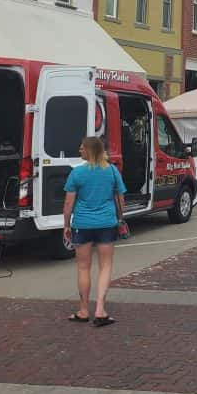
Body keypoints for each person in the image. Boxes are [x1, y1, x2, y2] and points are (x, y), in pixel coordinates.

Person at [62, 136, 126, 326]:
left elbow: (68, 203)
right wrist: (121, 218)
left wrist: (66, 224)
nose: (79, 150)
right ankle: (100, 310)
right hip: (107, 223)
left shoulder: (76, 173)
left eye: (82, 148)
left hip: (82, 224)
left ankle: (83, 310)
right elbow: (120, 200)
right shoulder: (112, 171)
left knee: (83, 268)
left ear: (89, 150)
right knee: (105, 266)